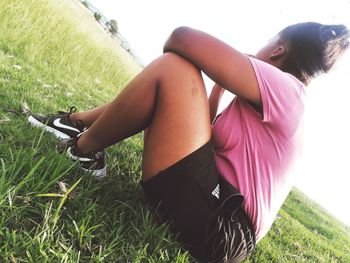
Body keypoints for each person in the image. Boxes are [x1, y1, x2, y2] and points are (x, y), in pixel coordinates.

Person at [28, 22, 349, 262]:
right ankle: (75, 124)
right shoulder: (282, 103)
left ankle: (82, 150)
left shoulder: (285, 89)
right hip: (219, 221)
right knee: (175, 83)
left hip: (219, 226)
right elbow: (201, 138)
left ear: (278, 49)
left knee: (176, 67)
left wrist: (235, 61)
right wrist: (219, 89)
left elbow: (181, 38)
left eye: (269, 42)